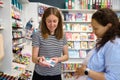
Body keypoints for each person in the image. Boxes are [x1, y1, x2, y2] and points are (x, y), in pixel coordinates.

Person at [75, 8, 120, 80]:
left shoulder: (114, 45)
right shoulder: (105, 41)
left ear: (108, 26)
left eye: (96, 28)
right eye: (92, 28)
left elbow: (113, 77)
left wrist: (86, 71)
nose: (93, 31)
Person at [32, 7, 69, 80]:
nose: (52, 24)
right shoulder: (38, 35)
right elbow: (33, 58)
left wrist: (58, 59)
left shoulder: (62, 35)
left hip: (56, 74)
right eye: (49, 21)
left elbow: (66, 56)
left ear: (59, 21)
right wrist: (39, 60)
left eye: (55, 21)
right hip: (40, 75)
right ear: (44, 21)